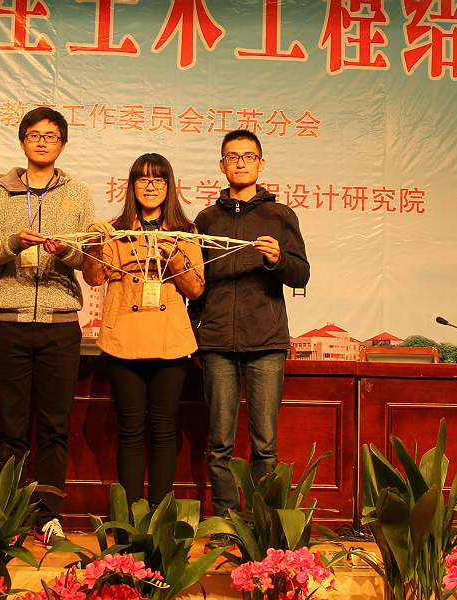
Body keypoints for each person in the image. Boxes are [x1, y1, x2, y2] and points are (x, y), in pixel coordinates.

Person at [0, 107, 96, 548]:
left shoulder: (78, 194)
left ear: (63, 144)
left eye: (51, 135)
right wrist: (11, 242)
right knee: (10, 428)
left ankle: (48, 517)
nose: (42, 141)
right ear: (23, 140)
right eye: (34, 134)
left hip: (60, 325)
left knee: (55, 427)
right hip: (9, 321)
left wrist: (66, 252)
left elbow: (90, 258)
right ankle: (6, 515)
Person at [188, 130, 310, 550]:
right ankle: (225, 524)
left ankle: (262, 526)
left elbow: (301, 274)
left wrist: (278, 258)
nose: (240, 162)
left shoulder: (280, 215)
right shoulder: (206, 219)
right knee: (219, 443)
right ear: (222, 165)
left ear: (261, 163)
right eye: (232, 156)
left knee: (265, 445)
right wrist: (197, 330)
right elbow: (195, 281)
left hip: (267, 340)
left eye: (248, 156)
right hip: (217, 340)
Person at [82, 153, 204, 510]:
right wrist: (93, 243)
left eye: (158, 179)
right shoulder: (113, 229)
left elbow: (196, 289)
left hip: (170, 339)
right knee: (130, 431)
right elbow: (94, 277)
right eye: (143, 179)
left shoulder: (186, 231)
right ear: (132, 186)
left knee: (164, 430)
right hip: (124, 337)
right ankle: (131, 518)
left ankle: (159, 517)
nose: (150, 186)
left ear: (169, 186)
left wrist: (175, 257)